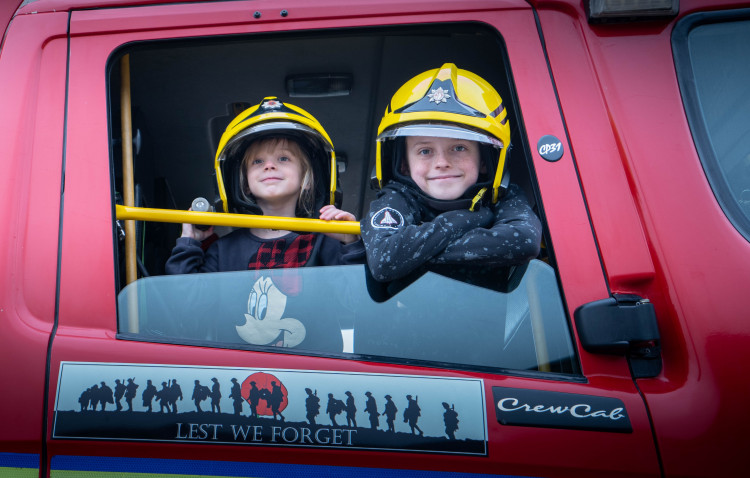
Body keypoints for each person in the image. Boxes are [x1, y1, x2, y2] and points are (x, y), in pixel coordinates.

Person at [360, 64, 542, 295]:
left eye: (459, 147)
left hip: (484, 330)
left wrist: (416, 255)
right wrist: (465, 219)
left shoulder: (504, 196)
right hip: (403, 329)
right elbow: (385, 260)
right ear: (404, 164)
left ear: (486, 160)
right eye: (425, 151)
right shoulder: (397, 197)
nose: (442, 162)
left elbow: (523, 241)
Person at [166, 96, 362, 274]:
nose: (269, 166)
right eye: (257, 162)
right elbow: (185, 304)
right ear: (245, 185)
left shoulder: (328, 241)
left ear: (307, 180)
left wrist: (350, 241)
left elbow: (356, 301)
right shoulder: (223, 251)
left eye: (283, 158)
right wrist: (189, 240)